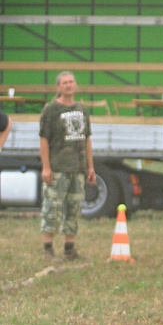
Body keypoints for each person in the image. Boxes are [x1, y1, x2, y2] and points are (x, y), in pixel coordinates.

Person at [39, 71, 96, 261]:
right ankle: (48, 249)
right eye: (65, 83)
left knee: (74, 208)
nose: (69, 85)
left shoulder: (82, 109)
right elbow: (44, 139)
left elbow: (87, 139)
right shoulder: (51, 109)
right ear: (58, 87)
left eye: (71, 82)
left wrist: (90, 167)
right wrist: (46, 167)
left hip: (78, 167)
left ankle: (70, 249)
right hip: (57, 167)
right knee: (52, 208)